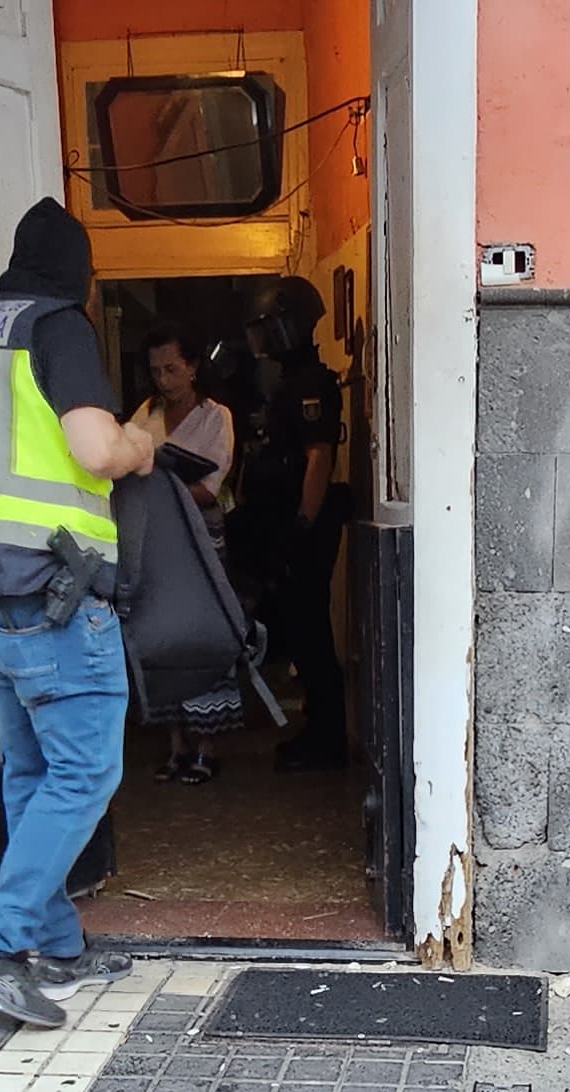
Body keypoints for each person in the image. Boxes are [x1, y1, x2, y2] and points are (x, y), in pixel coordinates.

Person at [0, 201, 159, 1028]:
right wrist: (141, 444)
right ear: (79, 278)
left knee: (30, 774)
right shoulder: (57, 327)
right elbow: (96, 449)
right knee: (86, 773)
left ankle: (55, 947)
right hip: (53, 596)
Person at [227, 276, 346, 773]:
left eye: (265, 329)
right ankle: (318, 732)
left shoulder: (311, 385)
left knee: (311, 631)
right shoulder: (286, 383)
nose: (260, 341)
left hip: (304, 528)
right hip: (286, 526)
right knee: (301, 630)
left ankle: (327, 739)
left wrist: (302, 524)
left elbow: (319, 457)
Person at [130, 326, 235, 784]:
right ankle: (175, 746)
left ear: (192, 368)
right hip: (156, 543)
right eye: (156, 371)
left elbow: (211, 489)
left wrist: (162, 487)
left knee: (205, 633)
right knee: (163, 636)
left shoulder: (216, 417)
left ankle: (207, 747)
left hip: (203, 540)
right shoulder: (145, 415)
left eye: (172, 369)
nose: (164, 380)